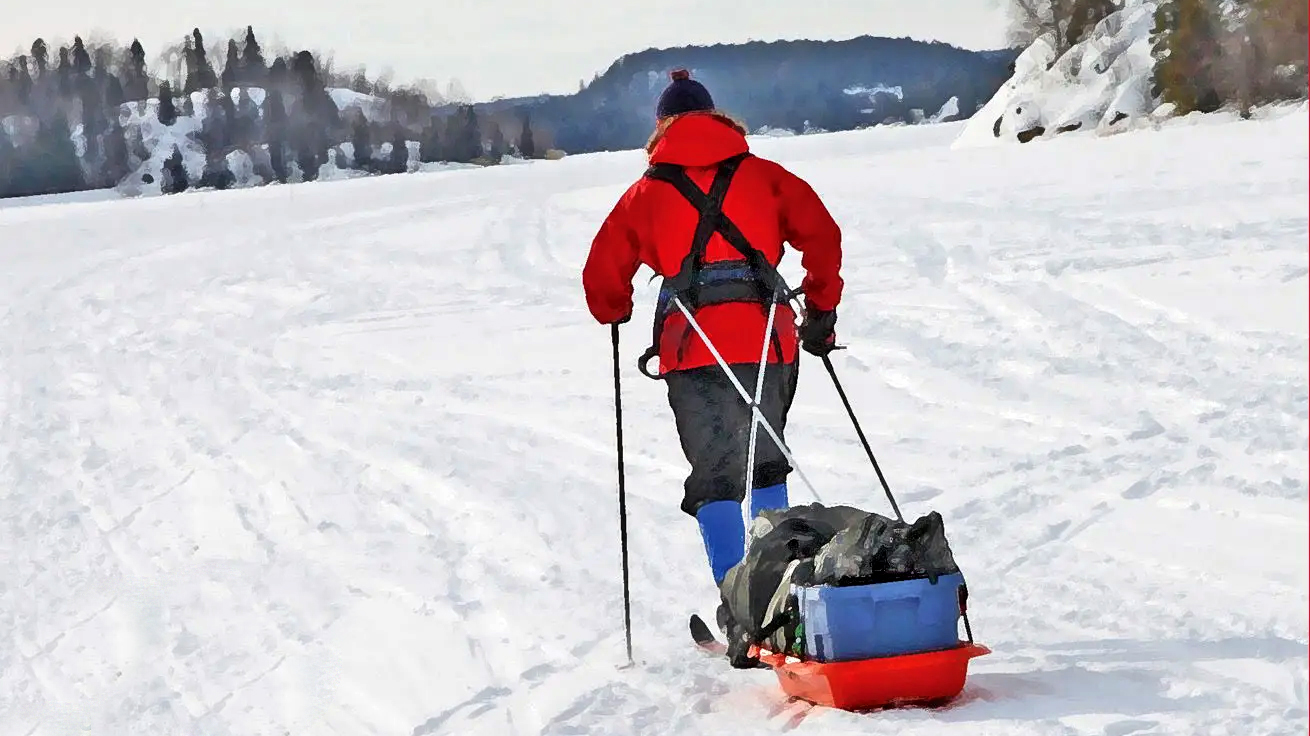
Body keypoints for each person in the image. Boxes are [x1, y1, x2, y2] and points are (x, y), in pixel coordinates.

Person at [581, 69, 844, 588]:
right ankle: (782, 594)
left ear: (661, 128)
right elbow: (823, 235)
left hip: (693, 351)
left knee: (717, 476)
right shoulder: (766, 176)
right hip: (768, 341)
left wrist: (615, 308)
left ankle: (739, 603)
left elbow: (601, 275)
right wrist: (821, 310)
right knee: (766, 462)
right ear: (719, 119)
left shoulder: (645, 194)